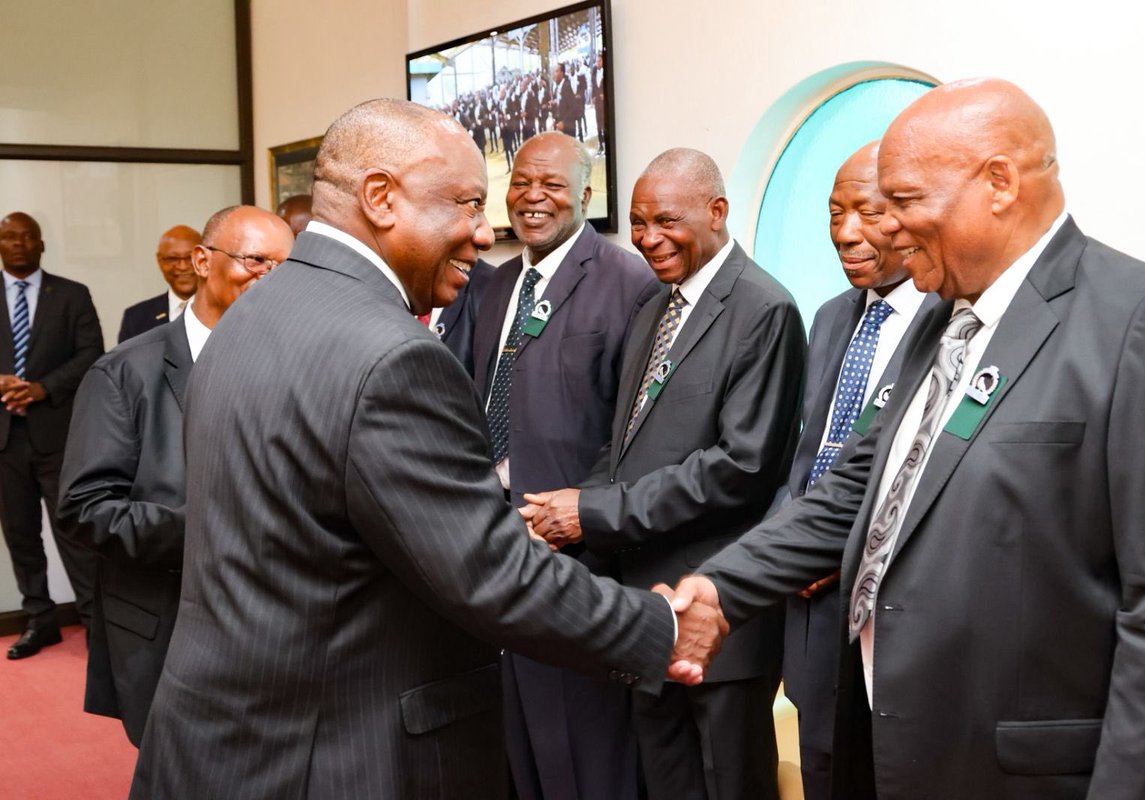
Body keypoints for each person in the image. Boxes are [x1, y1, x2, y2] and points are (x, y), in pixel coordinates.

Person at [129, 100, 724, 799]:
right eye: (467, 203)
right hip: (335, 755)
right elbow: (489, 573)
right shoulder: (390, 354)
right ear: (381, 198)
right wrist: (660, 626)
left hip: (217, 739)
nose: (482, 230)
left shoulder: (250, 312)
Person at [672, 78, 1145, 799]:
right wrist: (719, 587)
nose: (883, 228)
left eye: (904, 201)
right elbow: (852, 495)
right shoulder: (936, 318)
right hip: (892, 747)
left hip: (1026, 773)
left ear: (1000, 183)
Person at [525, 148, 806, 800]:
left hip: (720, 615)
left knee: (728, 784)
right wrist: (560, 513)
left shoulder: (765, 309)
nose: (649, 238)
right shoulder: (653, 306)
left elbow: (740, 468)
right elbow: (624, 449)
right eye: (638, 222)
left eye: (666, 220)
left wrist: (591, 514)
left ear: (716, 212)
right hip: (645, 611)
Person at [57, 206, 292, 747]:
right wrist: (215, 532)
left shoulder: (294, 363)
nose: (270, 279)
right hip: (170, 626)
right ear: (203, 261)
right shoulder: (123, 372)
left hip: (276, 627)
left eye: (285, 267)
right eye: (257, 261)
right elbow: (86, 506)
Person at [473, 131, 658, 800]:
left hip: (577, 551)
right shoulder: (495, 286)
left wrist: (579, 512)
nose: (531, 197)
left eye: (551, 184)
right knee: (514, 739)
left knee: (584, 748)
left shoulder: (629, 282)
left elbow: (632, 428)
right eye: (521, 182)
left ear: (585, 194)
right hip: (495, 545)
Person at [776, 141, 937, 800]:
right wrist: (790, 543)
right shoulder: (831, 316)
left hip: (901, 612)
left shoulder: (950, 319)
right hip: (813, 611)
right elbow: (807, 458)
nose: (846, 233)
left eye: (866, 212)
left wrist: (837, 549)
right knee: (822, 770)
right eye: (834, 212)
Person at [0, 211, 103, 658]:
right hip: (5, 439)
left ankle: (97, 625)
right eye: (8, 237)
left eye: (28, 237)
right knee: (21, 536)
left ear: (42, 245)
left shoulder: (72, 295)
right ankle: (40, 622)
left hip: (58, 436)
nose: (18, 243)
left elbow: (91, 355)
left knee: (75, 534)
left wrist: (42, 388)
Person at [117, 225, 201, 343]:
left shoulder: (226, 312)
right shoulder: (136, 318)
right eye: (173, 258)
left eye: (190, 257)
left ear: (204, 259)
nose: (183, 266)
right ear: (159, 261)